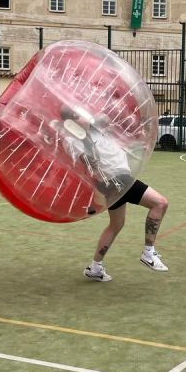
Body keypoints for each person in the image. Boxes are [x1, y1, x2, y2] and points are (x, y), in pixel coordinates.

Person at [59, 106, 169, 282]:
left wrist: (94, 122)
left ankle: (95, 267)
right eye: (80, 115)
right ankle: (148, 253)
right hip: (116, 180)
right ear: (73, 121)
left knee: (116, 224)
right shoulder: (74, 140)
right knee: (160, 203)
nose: (86, 115)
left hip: (116, 181)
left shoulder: (96, 128)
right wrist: (86, 144)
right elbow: (88, 164)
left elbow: (106, 118)